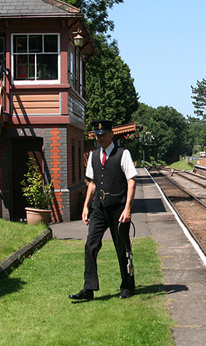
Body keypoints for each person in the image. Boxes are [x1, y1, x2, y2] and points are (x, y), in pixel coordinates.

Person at [69, 120, 137, 300]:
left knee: (123, 248)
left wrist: (128, 208)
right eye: (97, 135)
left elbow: (131, 181)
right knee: (90, 245)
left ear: (111, 134)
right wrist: (86, 206)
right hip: (99, 208)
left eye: (104, 134)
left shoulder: (123, 154)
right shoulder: (93, 156)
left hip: (118, 208)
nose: (100, 138)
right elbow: (92, 183)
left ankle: (128, 286)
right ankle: (88, 288)